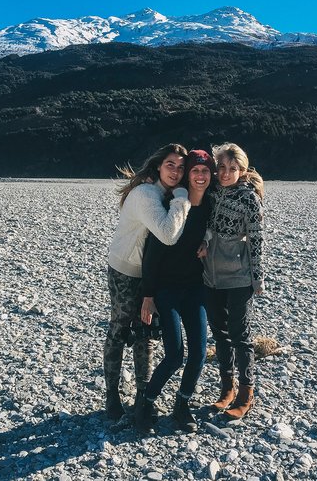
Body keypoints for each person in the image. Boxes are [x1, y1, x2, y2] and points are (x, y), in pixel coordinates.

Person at [104, 143, 191, 420]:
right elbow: (167, 233)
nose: (176, 171)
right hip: (125, 271)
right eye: (170, 165)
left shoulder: (161, 193)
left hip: (149, 275)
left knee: (147, 332)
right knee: (119, 328)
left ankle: (143, 393)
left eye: (180, 167)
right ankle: (112, 395)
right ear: (157, 166)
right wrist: (182, 199)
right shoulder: (146, 195)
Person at [134, 150, 215, 433]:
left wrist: (209, 241)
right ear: (187, 175)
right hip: (166, 289)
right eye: (195, 171)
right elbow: (152, 255)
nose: (201, 176)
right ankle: (146, 402)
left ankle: (182, 404)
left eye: (206, 171)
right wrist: (148, 295)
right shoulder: (171, 204)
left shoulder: (211, 205)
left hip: (194, 288)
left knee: (200, 352)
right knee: (174, 355)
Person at [202, 142, 265, 420]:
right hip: (210, 276)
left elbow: (256, 239)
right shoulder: (212, 192)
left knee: (241, 336)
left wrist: (257, 278)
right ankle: (227, 388)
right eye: (222, 168)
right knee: (220, 334)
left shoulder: (249, 198)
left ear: (242, 170)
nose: (226, 173)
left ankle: (246, 394)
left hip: (238, 277)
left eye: (232, 169)